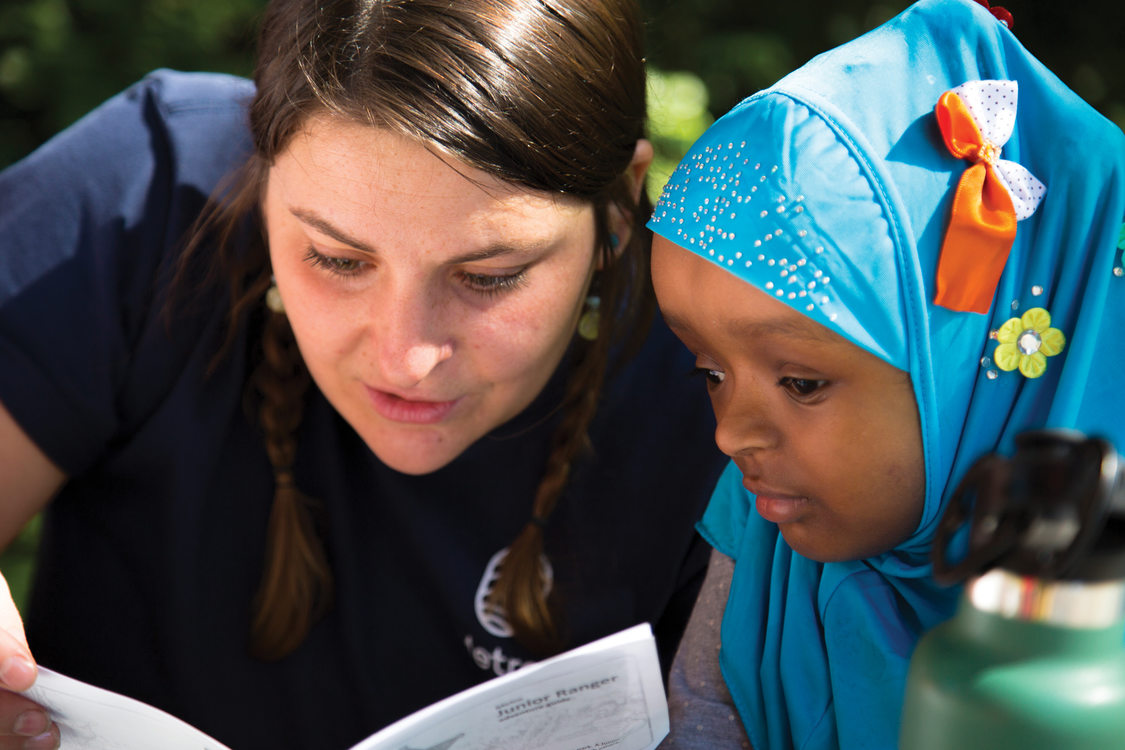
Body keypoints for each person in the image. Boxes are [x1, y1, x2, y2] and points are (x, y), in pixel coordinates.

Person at [0, 1, 728, 748]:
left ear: (616, 212)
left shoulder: (726, 394)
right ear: (261, 172)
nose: (404, 358)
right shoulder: (146, 191)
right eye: (338, 260)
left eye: (488, 276)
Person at [645, 0, 1125, 747]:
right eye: (708, 372)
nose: (730, 432)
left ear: (965, 369)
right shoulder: (767, 531)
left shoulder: (1095, 659)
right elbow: (701, 718)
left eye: (800, 383)